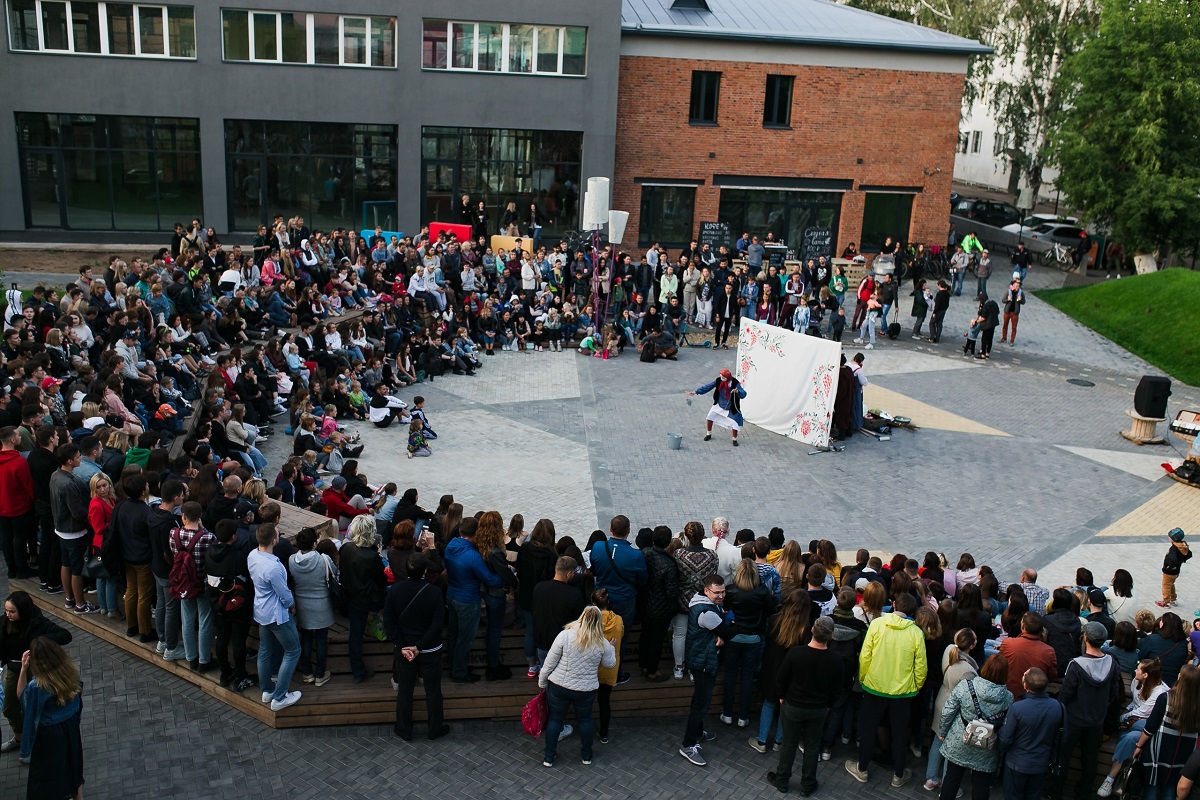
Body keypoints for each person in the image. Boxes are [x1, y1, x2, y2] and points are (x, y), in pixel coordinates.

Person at [846, 593, 927, 789]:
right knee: (899, 734)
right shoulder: (916, 633)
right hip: (902, 693)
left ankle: (862, 769)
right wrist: (914, 687)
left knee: (868, 729)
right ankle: (898, 774)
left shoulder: (877, 625)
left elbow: (865, 656)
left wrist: (863, 678)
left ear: (893, 604)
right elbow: (921, 667)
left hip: (874, 688)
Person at [766, 616, 843, 795]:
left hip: (793, 706)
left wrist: (782, 696)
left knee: (789, 744)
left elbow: (780, 679)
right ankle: (808, 784)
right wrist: (828, 705)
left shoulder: (796, 653)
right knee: (812, 746)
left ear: (812, 630)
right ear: (830, 636)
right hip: (818, 709)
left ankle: (782, 780)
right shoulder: (835, 661)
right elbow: (837, 690)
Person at [1050, 621, 1122, 800]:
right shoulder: (1111, 663)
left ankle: (1055, 791)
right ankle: (1083, 792)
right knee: (1090, 760)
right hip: (1097, 720)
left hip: (1073, 720)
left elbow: (1065, 695)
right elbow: (1114, 690)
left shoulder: (1076, 665)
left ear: (1086, 639)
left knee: (1063, 757)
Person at [382, 552, 449, 742]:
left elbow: (389, 621)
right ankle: (435, 728)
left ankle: (404, 729)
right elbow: (437, 624)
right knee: (433, 690)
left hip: (404, 649)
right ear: (425, 571)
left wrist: (404, 646)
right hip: (429, 650)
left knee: (405, 690)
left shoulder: (395, 590)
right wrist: (419, 646)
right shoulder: (434, 592)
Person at [538, 605, 616, 767]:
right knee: (585, 721)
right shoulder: (602, 643)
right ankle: (586, 756)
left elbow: (549, 662)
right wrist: (612, 648)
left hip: (559, 686)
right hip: (586, 690)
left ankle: (549, 757)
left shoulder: (565, 635)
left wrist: (542, 681)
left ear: (581, 617)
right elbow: (610, 665)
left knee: (555, 720)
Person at [1, 591, 72, 757]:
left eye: (12, 611)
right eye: (6, 610)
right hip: (14, 669)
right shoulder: (4, 622)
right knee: (9, 707)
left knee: (36, 707)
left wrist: (38, 642)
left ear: (23, 611)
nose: (7, 614)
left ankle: (38, 739)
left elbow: (65, 635)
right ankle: (19, 737)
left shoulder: (38, 623)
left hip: (36, 671)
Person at [935, 654, 1014, 800]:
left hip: (959, 740)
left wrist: (943, 732)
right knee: (981, 785)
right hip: (986, 746)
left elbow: (948, 710)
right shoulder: (1008, 697)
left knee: (952, 778)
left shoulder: (966, 686)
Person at [16, 638, 84, 800]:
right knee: (73, 763)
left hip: (49, 734)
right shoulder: (69, 672)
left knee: (47, 776)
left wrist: (23, 670)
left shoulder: (38, 686)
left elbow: (22, 698)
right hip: (70, 727)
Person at [679, 573, 733, 767]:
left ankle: (698, 732)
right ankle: (687, 744)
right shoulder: (708, 613)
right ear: (706, 590)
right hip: (703, 661)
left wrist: (720, 636)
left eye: (723, 591)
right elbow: (727, 632)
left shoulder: (702, 604)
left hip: (700, 657)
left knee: (699, 699)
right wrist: (724, 634)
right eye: (717, 592)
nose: (721, 596)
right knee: (702, 704)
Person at [247, 523, 302, 711]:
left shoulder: (252, 556)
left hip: (261, 610)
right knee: (293, 651)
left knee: (264, 650)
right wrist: (292, 606)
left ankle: (267, 690)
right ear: (274, 540)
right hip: (277, 614)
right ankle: (279, 697)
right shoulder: (273, 566)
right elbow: (284, 594)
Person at [1097, 658, 1168, 797]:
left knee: (1131, 737)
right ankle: (1118, 775)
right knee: (1130, 737)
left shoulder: (1160, 693)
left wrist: (1122, 718)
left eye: (1138, 669)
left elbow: (1142, 713)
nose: (1135, 670)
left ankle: (1110, 779)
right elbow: (1135, 705)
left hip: (1148, 728)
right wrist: (1127, 715)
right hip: (1133, 723)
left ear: (1146, 675)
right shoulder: (1137, 682)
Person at [444, 518, 503, 682]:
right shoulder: (473, 556)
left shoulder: (450, 546)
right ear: (476, 533)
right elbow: (490, 579)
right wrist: (505, 578)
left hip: (452, 595)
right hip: (468, 600)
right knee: (465, 638)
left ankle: (454, 665)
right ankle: (460, 673)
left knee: (453, 634)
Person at [1131, 664, 1200, 800]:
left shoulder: (1166, 698)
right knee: (1170, 788)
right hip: (1184, 755)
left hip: (1159, 751)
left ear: (1180, 677)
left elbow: (1150, 727)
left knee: (1152, 786)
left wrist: (1139, 746)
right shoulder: (1197, 705)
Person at [721, 559, 776, 728]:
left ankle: (727, 713)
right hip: (754, 638)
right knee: (747, 676)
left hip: (734, 637)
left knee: (729, 675)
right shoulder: (761, 591)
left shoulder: (731, 591)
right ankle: (743, 717)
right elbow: (771, 611)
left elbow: (725, 609)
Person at [997, 667, 1066, 800]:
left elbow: (1005, 738)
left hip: (1016, 763)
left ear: (1025, 685)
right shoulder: (1058, 707)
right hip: (1041, 763)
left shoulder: (1017, 708)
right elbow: (1062, 738)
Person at [205, 519, 256, 692]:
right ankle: (240, 675)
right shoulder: (238, 556)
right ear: (233, 536)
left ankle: (225, 672)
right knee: (238, 641)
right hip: (237, 605)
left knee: (221, 637)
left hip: (216, 603)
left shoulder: (209, 551)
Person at [589, 514, 645, 662]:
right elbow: (642, 580)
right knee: (621, 636)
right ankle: (616, 670)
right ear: (628, 530)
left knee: (597, 633)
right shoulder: (636, 555)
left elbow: (594, 568)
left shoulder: (597, 547)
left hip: (601, 600)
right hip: (624, 600)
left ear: (610, 529)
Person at [48, 443, 97, 614]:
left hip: (61, 529)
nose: (80, 459)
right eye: (77, 457)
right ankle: (80, 604)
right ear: (69, 461)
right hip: (74, 532)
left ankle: (69, 599)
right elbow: (78, 512)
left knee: (66, 563)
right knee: (77, 568)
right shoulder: (68, 483)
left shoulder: (55, 475)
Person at [169, 501, 216, 672]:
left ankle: (191, 657)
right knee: (204, 620)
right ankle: (204, 660)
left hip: (183, 583)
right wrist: (203, 529)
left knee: (187, 620)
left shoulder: (173, 534)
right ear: (200, 517)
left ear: (183, 516)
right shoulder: (207, 537)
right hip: (202, 584)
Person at [339, 515, 386, 683]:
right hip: (370, 599)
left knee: (355, 634)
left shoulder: (345, 549)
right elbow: (382, 581)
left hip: (352, 598)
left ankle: (358, 671)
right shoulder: (372, 556)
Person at [672, 521, 719, 681]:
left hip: (682, 600)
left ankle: (679, 667)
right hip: (701, 601)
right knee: (698, 637)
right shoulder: (712, 555)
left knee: (679, 634)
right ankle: (693, 669)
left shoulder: (678, 554)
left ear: (686, 536)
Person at [289, 526, 336, 687]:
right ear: (315, 542)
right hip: (322, 604)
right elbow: (334, 574)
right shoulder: (324, 560)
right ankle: (320, 674)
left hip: (302, 605)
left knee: (306, 638)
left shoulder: (291, 560)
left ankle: (307, 673)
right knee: (322, 640)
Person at [476, 510, 517, 681]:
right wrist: (514, 580)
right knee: (495, 630)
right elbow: (504, 574)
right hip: (495, 595)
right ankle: (493, 666)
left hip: (485, 591)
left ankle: (493, 663)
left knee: (491, 629)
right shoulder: (495, 551)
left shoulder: (481, 545)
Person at [517, 519, 558, 679]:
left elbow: (519, 570)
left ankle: (532, 666)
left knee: (530, 632)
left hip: (527, 596)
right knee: (545, 630)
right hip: (545, 599)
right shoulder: (552, 554)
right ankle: (545, 664)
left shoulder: (525, 548)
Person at [639, 526, 679, 682]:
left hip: (645, 604)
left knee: (645, 635)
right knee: (656, 640)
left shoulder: (645, 553)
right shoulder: (669, 564)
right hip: (661, 609)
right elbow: (671, 591)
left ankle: (643, 664)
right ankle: (652, 671)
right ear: (668, 542)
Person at [533, 556, 588, 668]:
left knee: (546, 674)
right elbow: (580, 622)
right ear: (568, 574)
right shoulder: (574, 594)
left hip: (541, 642)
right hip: (562, 646)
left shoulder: (538, 588)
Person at [997, 612, 1057, 697]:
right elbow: (1051, 677)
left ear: (1022, 626)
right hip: (1034, 697)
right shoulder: (1048, 651)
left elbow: (999, 667)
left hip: (1009, 695)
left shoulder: (1008, 644)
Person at [592, 589, 625, 744]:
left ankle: (586, 727)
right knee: (604, 701)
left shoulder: (590, 622)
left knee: (587, 700)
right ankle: (604, 733)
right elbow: (622, 635)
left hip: (591, 667)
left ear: (593, 605)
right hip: (610, 667)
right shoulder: (618, 620)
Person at [687, 368, 747, 446]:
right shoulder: (718, 381)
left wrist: (737, 391)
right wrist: (696, 392)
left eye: (723, 378)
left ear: (728, 377)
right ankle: (708, 434)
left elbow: (744, 394)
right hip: (719, 404)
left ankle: (734, 439)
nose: (722, 379)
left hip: (731, 407)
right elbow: (708, 386)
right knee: (709, 417)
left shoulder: (735, 383)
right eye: (721, 377)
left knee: (734, 423)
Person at [1159, 527, 1190, 608]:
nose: (1169, 538)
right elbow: (1188, 554)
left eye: (1170, 537)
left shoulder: (1174, 549)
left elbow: (1172, 559)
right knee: (1171, 584)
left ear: (1173, 539)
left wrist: (1169, 567)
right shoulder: (1182, 546)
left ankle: (1166, 602)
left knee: (1166, 585)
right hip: (1176, 572)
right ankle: (1173, 599)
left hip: (1169, 572)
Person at [1000, 276, 1025, 346]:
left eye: (1018, 286)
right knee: (1005, 325)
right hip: (1007, 311)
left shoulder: (1020, 293)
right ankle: (1004, 338)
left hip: (1015, 312)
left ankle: (1012, 340)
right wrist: (1008, 299)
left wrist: (1020, 300)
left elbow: (1023, 302)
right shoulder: (1008, 292)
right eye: (1016, 286)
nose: (1017, 288)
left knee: (1014, 327)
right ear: (1013, 285)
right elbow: (1003, 300)